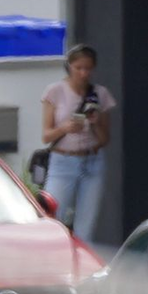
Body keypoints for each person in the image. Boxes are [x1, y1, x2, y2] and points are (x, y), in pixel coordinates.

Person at [41, 43, 117, 243]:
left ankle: (83, 267)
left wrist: (96, 123)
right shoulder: (55, 91)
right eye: (79, 68)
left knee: (87, 224)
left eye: (88, 69)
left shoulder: (99, 93)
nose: (83, 73)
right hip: (63, 160)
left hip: (92, 160)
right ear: (69, 67)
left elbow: (105, 140)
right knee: (52, 218)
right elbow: (46, 135)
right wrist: (65, 128)